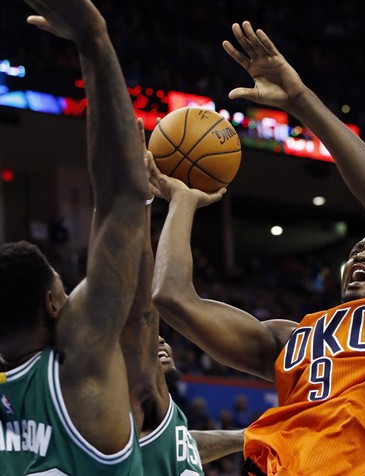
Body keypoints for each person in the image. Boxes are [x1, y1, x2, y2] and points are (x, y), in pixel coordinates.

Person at [149, 21, 365, 475]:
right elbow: (172, 298)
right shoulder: (292, 338)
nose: (361, 254)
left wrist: (300, 102)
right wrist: (183, 201)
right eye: (355, 250)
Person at [0, 0, 148, 474]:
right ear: (52, 304)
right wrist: (94, 39)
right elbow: (123, 198)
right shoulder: (76, 367)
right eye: (66, 289)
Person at [121, 127, 244, 475]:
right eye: (145, 338)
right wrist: (143, 200)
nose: (159, 340)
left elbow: (183, 445)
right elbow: (141, 298)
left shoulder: (159, 419)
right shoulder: (122, 407)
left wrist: (246, 436)